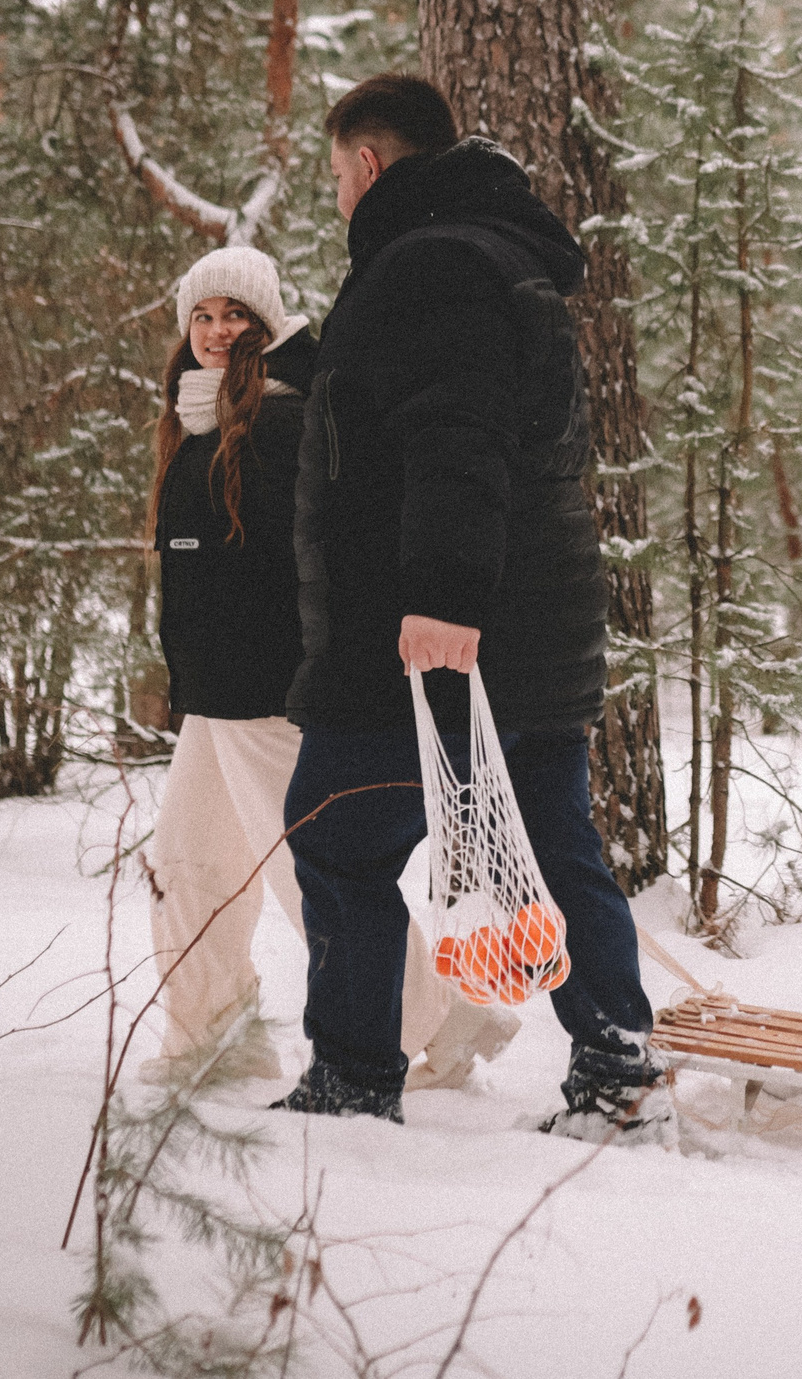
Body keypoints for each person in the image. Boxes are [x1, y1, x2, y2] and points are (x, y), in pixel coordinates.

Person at [271, 73, 664, 1138]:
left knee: (338, 836)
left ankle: (355, 1076)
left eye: (336, 177)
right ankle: (613, 1065)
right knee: (541, 841)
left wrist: (440, 602)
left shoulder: (431, 264)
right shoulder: (479, 256)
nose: (338, 199)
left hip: (432, 638)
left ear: (368, 164)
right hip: (512, 628)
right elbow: (434, 420)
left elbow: (458, 439)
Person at [141, 244, 513, 1091]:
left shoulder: (277, 420)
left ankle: (447, 1023)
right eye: (203, 315)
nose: (218, 330)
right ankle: (214, 1037)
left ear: (268, 326)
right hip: (217, 697)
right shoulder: (199, 418)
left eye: (236, 315)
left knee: (307, 880)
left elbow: (313, 564)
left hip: (268, 693)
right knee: (189, 862)